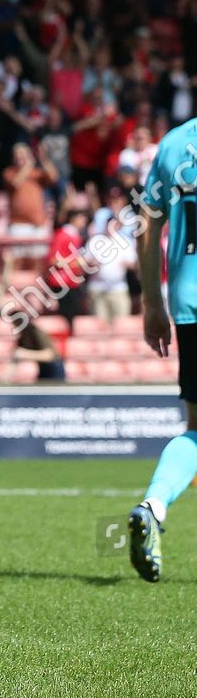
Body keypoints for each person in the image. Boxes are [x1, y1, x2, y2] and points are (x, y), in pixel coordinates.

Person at [129, 117, 197, 582]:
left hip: (190, 304)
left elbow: (145, 223)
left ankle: (153, 505)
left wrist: (152, 301)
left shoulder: (175, 143)